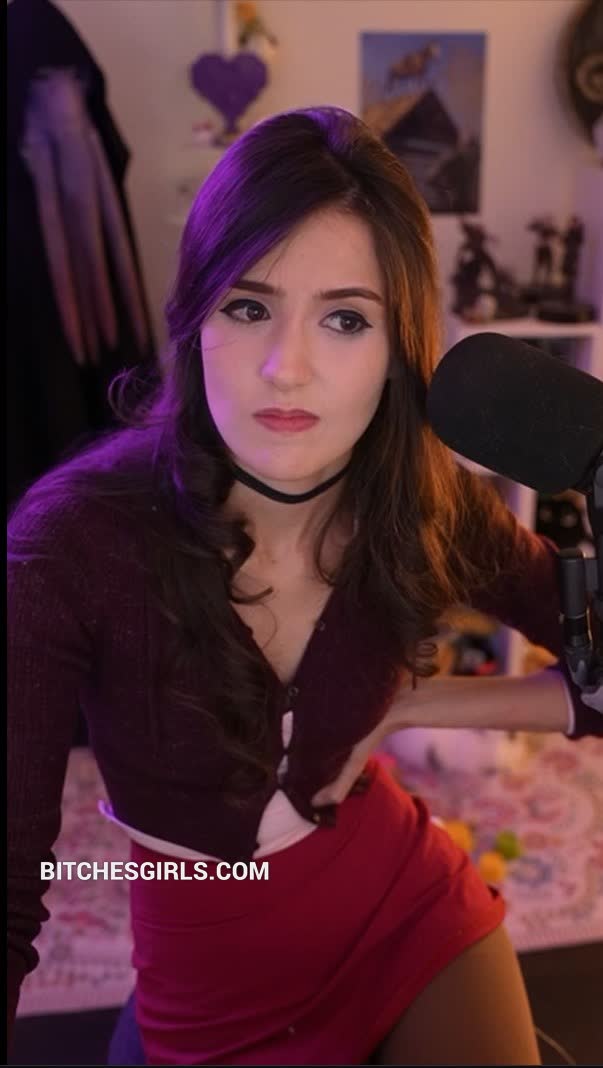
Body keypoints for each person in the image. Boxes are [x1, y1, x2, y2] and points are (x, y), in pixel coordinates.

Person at [7, 106, 601, 1067]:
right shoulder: (70, 546)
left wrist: (417, 705)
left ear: (399, 347)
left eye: (345, 318)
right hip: (205, 973)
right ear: (192, 320)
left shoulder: (426, 502)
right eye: (248, 307)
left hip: (405, 908)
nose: (288, 367)